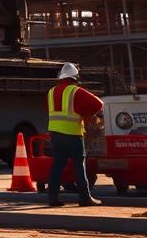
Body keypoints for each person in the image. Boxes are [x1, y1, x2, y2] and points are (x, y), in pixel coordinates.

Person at [46, 62, 104, 207]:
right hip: (72, 134)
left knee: (57, 165)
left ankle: (52, 198)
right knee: (79, 166)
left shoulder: (51, 92)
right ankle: (85, 198)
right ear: (75, 77)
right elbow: (99, 104)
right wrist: (86, 114)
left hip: (55, 135)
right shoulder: (75, 91)